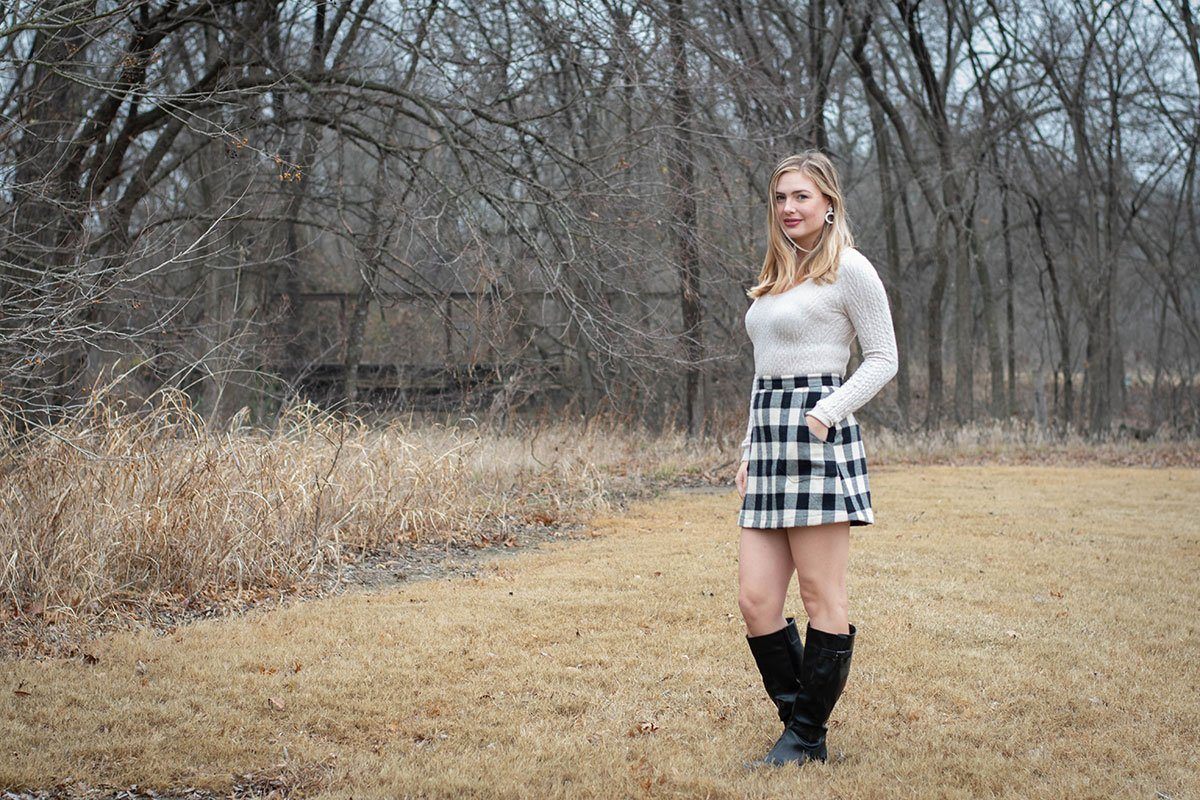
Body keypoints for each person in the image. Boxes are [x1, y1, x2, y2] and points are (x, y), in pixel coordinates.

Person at [734, 150, 898, 767]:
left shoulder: (849, 270)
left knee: (821, 594)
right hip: (769, 441)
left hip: (817, 438)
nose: (789, 209)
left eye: (801, 197)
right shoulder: (776, 277)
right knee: (756, 600)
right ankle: (806, 729)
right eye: (780, 199)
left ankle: (801, 738)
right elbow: (761, 376)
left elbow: (883, 357)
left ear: (828, 203)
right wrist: (749, 447)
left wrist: (825, 413)